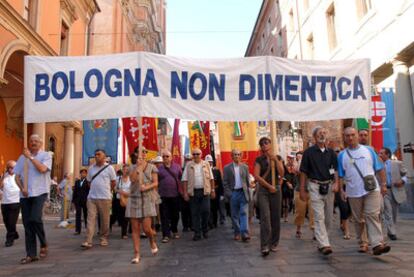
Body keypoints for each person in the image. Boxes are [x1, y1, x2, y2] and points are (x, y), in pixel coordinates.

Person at [338, 127, 390, 255]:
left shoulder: (369, 150)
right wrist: (341, 190)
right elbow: (339, 175)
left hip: (371, 189)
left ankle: (377, 243)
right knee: (358, 219)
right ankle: (363, 242)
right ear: (344, 138)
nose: (350, 138)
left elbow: (380, 168)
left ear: (356, 135)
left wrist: (383, 184)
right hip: (353, 191)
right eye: (347, 136)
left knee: (372, 214)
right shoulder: (341, 155)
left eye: (352, 135)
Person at [300, 127, 339, 255]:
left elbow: (335, 170)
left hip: (328, 186)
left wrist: (336, 183)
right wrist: (302, 189)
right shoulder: (308, 153)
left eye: (324, 133)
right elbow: (303, 172)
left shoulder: (332, 153)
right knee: (318, 216)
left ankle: (323, 238)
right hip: (314, 185)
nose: (322, 135)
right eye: (319, 133)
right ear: (314, 137)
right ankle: (324, 244)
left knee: (328, 217)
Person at [14, 134, 52, 264]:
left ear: (40, 143)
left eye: (36, 141)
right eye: (31, 141)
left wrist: (30, 157)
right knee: (27, 224)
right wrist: (21, 188)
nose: (33, 143)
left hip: (40, 191)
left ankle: (43, 242)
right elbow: (17, 176)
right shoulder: (21, 158)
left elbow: (42, 169)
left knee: (35, 218)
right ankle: (31, 254)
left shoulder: (46, 155)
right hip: (25, 194)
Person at [126, 150, 159, 264]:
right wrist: (138, 168)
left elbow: (155, 183)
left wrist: (147, 187)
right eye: (140, 152)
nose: (143, 153)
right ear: (136, 154)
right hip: (134, 198)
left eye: (144, 152)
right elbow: (132, 179)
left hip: (147, 198)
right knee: (135, 229)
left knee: (146, 229)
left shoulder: (152, 167)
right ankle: (136, 254)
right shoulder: (131, 167)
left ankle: (151, 240)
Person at [254, 137, 284, 256]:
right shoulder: (259, 160)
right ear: (261, 147)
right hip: (264, 191)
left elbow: (282, 173)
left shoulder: (278, 158)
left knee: (276, 217)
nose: (265, 145)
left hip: (276, 190)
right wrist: (268, 186)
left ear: (271, 145)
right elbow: (257, 176)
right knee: (265, 217)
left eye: (266, 143)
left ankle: (274, 242)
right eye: (262, 144)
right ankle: (264, 245)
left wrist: (275, 160)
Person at [81, 149, 116, 249]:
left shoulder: (110, 168)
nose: (96, 156)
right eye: (95, 154)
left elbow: (113, 182)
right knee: (90, 219)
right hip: (92, 198)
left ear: (104, 157)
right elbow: (88, 182)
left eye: (99, 154)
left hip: (105, 198)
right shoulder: (91, 168)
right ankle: (88, 240)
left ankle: (104, 237)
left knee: (105, 220)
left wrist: (108, 191)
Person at [182, 148, 215, 241]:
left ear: (201, 155)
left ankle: (205, 230)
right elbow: (184, 180)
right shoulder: (188, 165)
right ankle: (197, 233)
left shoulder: (206, 164)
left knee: (206, 211)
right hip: (193, 192)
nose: (196, 156)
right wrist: (185, 193)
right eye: (194, 154)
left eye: (197, 154)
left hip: (205, 191)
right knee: (195, 213)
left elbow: (211, 178)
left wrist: (213, 190)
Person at [379, 147, 408, 241]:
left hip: (395, 190)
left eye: (382, 153)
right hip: (384, 190)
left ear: (387, 155)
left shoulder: (397, 163)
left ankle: (391, 229)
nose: (380, 155)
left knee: (394, 212)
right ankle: (392, 232)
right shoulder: (377, 165)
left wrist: (402, 181)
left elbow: (405, 174)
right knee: (388, 211)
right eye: (379, 153)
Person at [223, 149, 251, 242]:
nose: (237, 156)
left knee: (244, 213)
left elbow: (247, 182)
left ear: (241, 156)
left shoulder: (245, 167)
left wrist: (248, 194)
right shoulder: (227, 168)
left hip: (243, 192)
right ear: (232, 156)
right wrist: (229, 194)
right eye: (235, 154)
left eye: (239, 154)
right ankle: (237, 232)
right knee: (234, 215)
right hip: (233, 193)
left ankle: (245, 233)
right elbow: (225, 183)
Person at [157, 150, 182, 243]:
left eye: (167, 156)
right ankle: (166, 235)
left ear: (171, 157)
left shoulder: (177, 167)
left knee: (175, 215)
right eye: (164, 157)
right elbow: (156, 181)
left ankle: (174, 230)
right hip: (163, 195)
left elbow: (181, 178)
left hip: (175, 195)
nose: (165, 158)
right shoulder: (159, 169)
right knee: (164, 216)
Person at [293, 151, 314, 239]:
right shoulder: (296, 164)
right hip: (299, 191)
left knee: (313, 213)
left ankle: (315, 232)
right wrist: (299, 162)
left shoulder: (311, 164)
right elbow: (296, 171)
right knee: (300, 212)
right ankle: (298, 229)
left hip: (311, 191)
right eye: (298, 156)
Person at [0, 160, 20, 247]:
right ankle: (14, 233)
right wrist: (3, 176)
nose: (11, 169)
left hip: (15, 202)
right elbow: (0, 186)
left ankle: (9, 239)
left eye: (13, 167)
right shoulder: (4, 176)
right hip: (5, 202)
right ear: (7, 168)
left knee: (12, 222)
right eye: (9, 167)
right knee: (6, 221)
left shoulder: (19, 176)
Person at [333, 147, 351, 240]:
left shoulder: (348, 161)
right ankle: (347, 231)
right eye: (336, 152)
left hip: (350, 187)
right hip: (340, 188)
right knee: (344, 208)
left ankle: (343, 224)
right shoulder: (333, 165)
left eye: (339, 151)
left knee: (350, 209)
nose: (338, 153)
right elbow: (332, 175)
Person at [206, 154, 224, 228]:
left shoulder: (216, 171)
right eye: (208, 162)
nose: (209, 163)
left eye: (210, 162)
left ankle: (215, 222)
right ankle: (210, 223)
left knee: (215, 208)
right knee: (208, 208)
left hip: (216, 191)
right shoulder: (204, 170)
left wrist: (221, 194)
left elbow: (220, 183)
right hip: (207, 191)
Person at [113, 164, 131, 239]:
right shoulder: (118, 179)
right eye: (124, 169)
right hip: (119, 200)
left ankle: (126, 232)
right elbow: (114, 188)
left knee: (127, 216)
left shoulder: (131, 179)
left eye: (127, 169)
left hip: (129, 199)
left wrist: (128, 193)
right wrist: (119, 191)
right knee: (121, 216)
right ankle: (124, 232)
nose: (125, 171)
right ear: (122, 170)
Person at [72, 169, 89, 235]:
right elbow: (75, 192)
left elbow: (89, 191)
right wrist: (73, 201)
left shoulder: (88, 182)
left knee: (86, 215)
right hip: (78, 201)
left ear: (86, 174)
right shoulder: (77, 182)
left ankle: (88, 229)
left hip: (85, 201)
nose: (83, 174)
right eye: (82, 173)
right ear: (80, 174)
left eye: (84, 173)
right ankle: (77, 230)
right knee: (78, 215)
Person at [180, 154, 193, 232]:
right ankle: (185, 226)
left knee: (192, 210)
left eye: (189, 160)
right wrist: (182, 192)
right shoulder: (181, 169)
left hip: (191, 192)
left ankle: (192, 225)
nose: (188, 161)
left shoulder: (193, 169)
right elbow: (179, 181)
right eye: (187, 160)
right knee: (184, 211)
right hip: (182, 193)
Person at [282, 155, 295, 223]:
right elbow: (283, 176)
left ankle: (293, 213)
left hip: (293, 185)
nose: (291, 160)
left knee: (292, 201)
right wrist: (287, 183)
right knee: (285, 203)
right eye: (290, 159)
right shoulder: (285, 166)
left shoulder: (294, 166)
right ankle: (285, 216)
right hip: (285, 186)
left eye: (292, 159)